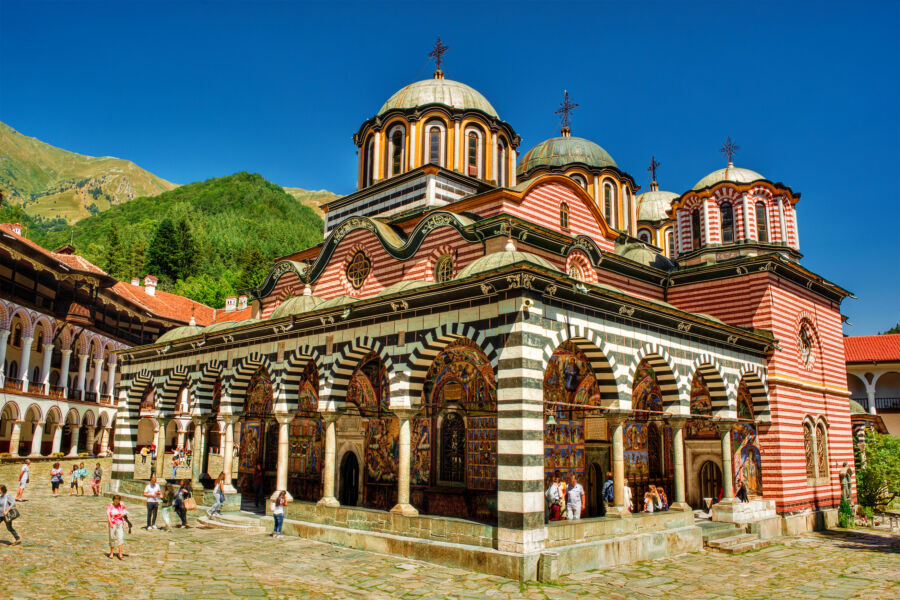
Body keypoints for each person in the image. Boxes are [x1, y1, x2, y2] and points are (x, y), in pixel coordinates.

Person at [106, 495, 127, 559]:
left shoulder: (121, 506)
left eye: (118, 500)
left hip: (120, 524)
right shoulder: (110, 506)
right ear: (113, 500)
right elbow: (108, 515)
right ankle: (111, 552)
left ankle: (120, 553)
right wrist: (110, 523)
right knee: (112, 538)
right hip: (112, 524)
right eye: (116, 499)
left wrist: (122, 515)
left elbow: (125, 513)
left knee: (120, 537)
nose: (117, 501)